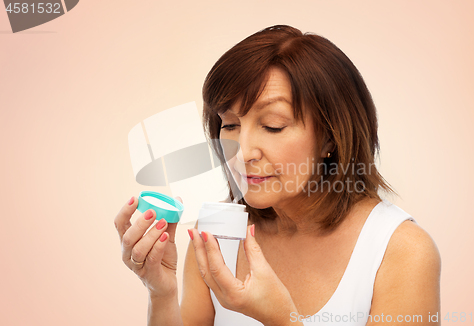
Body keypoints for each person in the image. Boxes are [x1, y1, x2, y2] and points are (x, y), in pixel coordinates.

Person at [114, 25, 441, 326]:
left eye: (273, 125)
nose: (242, 152)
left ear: (331, 136)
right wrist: (162, 292)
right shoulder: (216, 236)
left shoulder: (401, 251)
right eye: (229, 124)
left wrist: (283, 321)